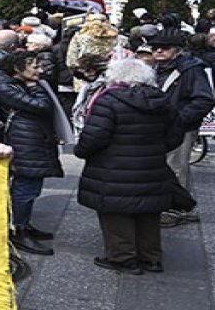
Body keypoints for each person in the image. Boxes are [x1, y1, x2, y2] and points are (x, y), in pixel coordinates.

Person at [74, 59, 178, 275]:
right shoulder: (161, 100)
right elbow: (176, 133)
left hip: (112, 166)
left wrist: (81, 152)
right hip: (151, 165)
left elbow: (95, 136)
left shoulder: (109, 100)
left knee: (116, 212)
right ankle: (151, 258)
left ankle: (123, 258)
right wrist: (155, 149)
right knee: (148, 213)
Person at [0, 51, 65, 256]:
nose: (40, 70)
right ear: (18, 69)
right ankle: (17, 230)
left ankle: (24, 225)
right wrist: (34, 87)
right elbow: (42, 106)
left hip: (32, 138)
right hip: (23, 141)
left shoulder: (15, 83)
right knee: (24, 187)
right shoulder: (6, 88)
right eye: (34, 66)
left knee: (30, 186)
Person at [148, 32, 215, 227]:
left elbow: (204, 99)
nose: (158, 50)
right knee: (164, 167)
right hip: (160, 126)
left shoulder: (190, 69)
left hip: (181, 128)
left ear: (176, 50)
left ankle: (177, 210)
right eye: (154, 48)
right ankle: (175, 205)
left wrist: (180, 119)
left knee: (176, 168)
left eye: (165, 47)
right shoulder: (157, 68)